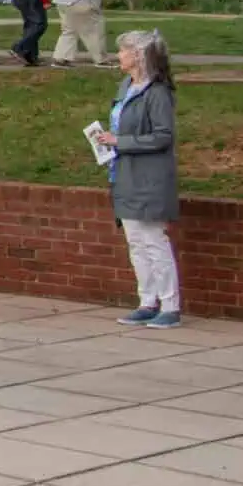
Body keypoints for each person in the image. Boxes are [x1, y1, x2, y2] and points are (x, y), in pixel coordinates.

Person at [87, 29, 183, 327]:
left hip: (149, 177)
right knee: (136, 242)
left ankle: (170, 305)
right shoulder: (125, 85)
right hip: (124, 173)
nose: (119, 55)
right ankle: (147, 300)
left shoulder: (157, 93)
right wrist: (107, 140)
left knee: (154, 239)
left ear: (139, 56)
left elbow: (162, 137)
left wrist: (120, 141)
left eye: (124, 50)